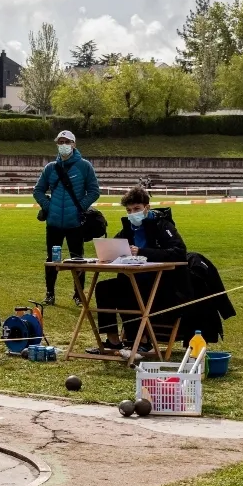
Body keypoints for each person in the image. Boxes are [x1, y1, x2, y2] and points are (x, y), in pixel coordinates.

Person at [87, 186, 191, 354]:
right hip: (134, 278)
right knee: (104, 288)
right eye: (129, 210)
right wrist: (108, 255)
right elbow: (116, 245)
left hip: (163, 283)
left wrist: (143, 252)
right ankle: (112, 340)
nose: (132, 213)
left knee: (130, 290)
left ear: (146, 207)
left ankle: (142, 340)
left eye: (136, 209)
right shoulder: (128, 227)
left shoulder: (163, 225)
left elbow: (179, 252)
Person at [33, 130, 101, 306]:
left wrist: (80, 208)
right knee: (52, 259)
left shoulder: (85, 166)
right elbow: (38, 190)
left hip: (75, 223)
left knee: (78, 260)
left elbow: (94, 191)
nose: (63, 145)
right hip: (54, 222)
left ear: (74, 144)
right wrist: (48, 207)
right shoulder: (50, 168)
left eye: (67, 141)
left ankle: (78, 295)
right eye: (60, 142)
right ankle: (50, 293)